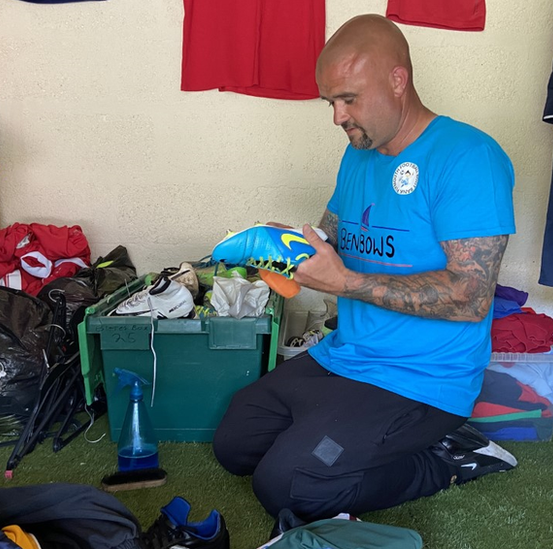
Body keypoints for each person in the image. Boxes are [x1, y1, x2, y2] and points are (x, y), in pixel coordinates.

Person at [212, 14, 517, 522]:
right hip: (346, 357)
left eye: (348, 99)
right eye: (330, 101)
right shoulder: (360, 152)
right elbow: (332, 236)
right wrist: (283, 246)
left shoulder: (469, 158)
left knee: (286, 488)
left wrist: (346, 282)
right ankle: (337, 437)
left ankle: (449, 457)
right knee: (235, 445)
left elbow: (471, 295)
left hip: (422, 378)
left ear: (398, 81)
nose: (337, 116)